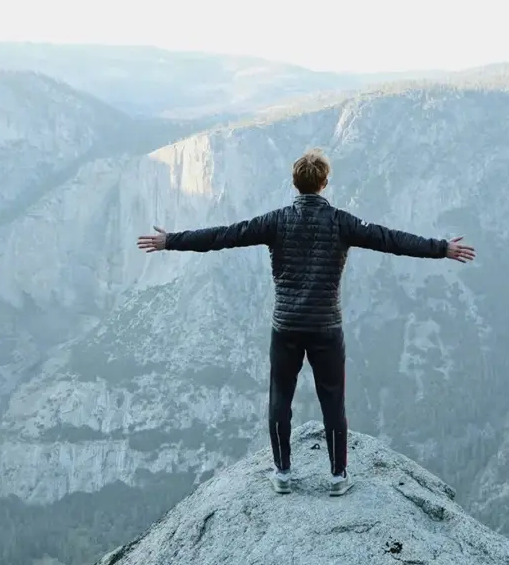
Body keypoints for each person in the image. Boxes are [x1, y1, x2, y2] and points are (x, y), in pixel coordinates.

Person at [137, 148, 475, 496]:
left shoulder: (276, 221)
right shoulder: (343, 223)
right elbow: (391, 240)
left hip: (285, 327)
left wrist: (170, 241)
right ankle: (338, 477)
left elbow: (224, 235)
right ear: (325, 183)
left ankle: (282, 474)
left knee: (280, 398)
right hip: (326, 328)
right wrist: (441, 248)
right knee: (333, 401)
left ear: (294, 183)